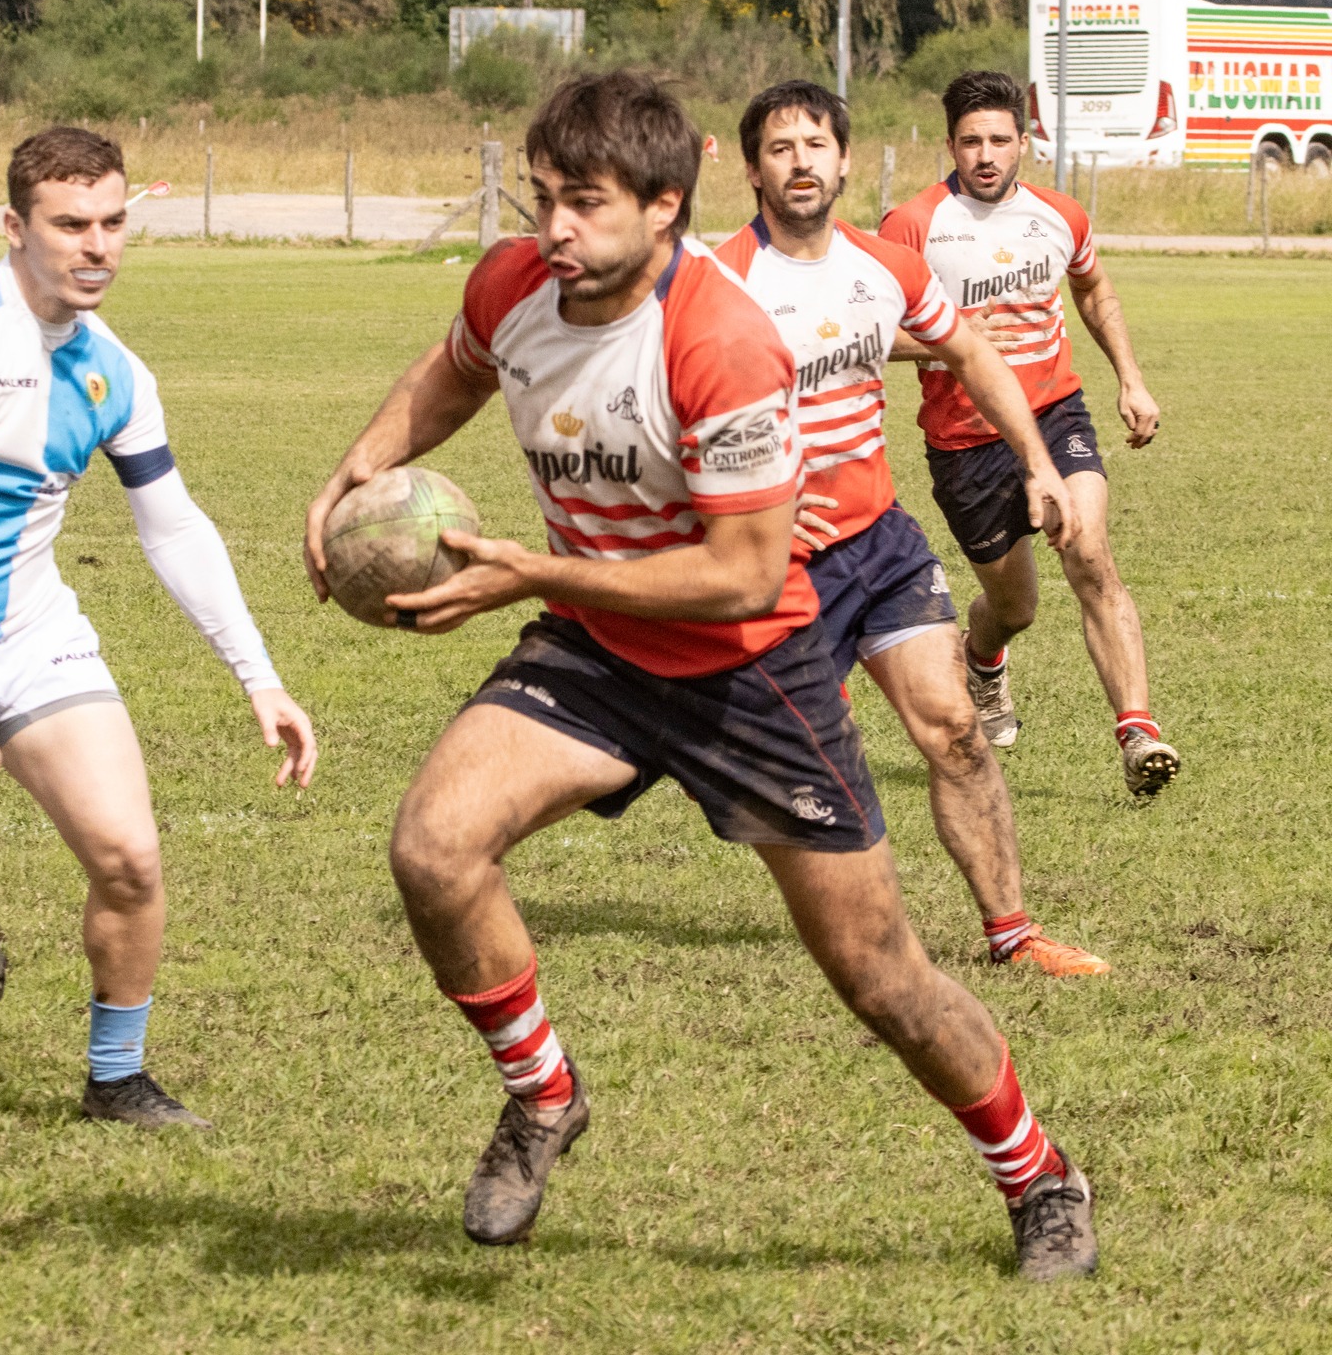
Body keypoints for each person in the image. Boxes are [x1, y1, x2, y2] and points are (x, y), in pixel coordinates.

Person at [304, 72, 1097, 1280]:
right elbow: (456, 369)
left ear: (662, 206)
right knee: (432, 846)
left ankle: (1038, 1177)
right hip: (597, 647)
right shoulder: (518, 283)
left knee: (881, 980)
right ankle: (543, 1095)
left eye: (583, 205)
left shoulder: (720, 340)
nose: (551, 230)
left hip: (749, 669)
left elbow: (737, 574)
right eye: (541, 201)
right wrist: (357, 471)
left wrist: (529, 573)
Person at [0, 126, 317, 1130]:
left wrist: (257, 675)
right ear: (14, 228)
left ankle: (115, 1079)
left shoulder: (114, 372)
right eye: (69, 224)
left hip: (34, 632)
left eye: (112, 223)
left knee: (129, 858)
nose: (96, 246)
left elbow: (170, 525)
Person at [715, 82, 1107, 976]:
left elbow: (970, 350)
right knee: (810, 772)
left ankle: (1013, 935)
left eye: (817, 144)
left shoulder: (884, 266)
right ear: (752, 170)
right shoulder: (718, 282)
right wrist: (743, 506)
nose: (802, 161)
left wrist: (1041, 464)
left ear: (846, 161)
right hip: (778, 567)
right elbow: (660, 414)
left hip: (880, 545)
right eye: (781, 148)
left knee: (955, 729)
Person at [882, 71, 1176, 797]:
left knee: (1090, 553)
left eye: (1000, 140)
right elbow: (875, 332)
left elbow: (1092, 287)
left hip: (1055, 410)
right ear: (949, 143)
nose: (986, 155)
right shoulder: (912, 225)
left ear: (1024, 144)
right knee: (1015, 608)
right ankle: (985, 662)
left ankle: (1138, 732)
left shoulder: (1060, 215)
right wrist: (949, 343)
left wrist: (1130, 378)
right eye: (971, 141)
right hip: (965, 441)